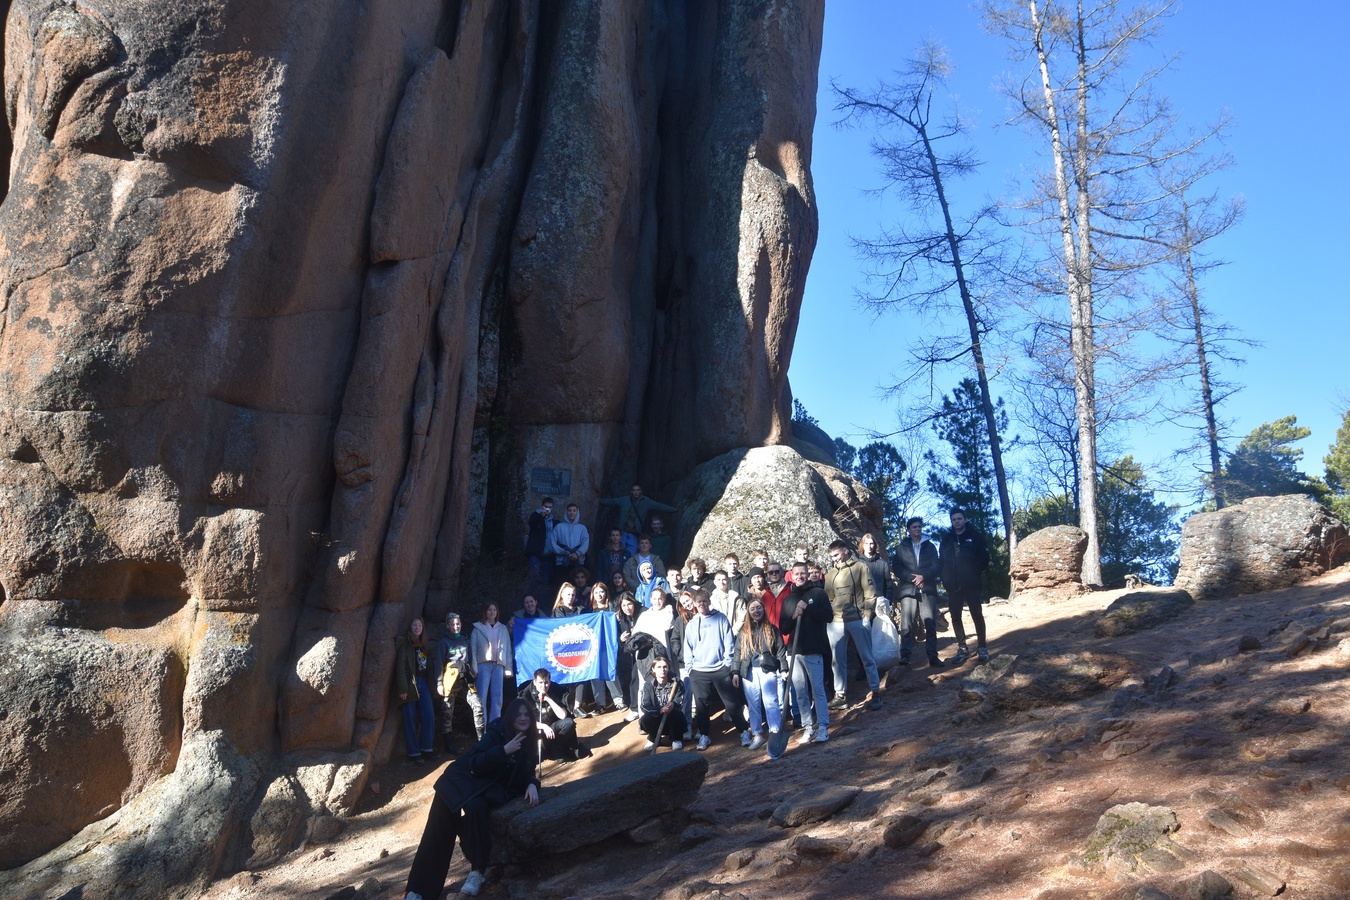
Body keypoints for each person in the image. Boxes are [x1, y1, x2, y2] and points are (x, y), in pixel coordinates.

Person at [402, 698, 540, 900]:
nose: (523, 718)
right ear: (510, 717)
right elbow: (476, 762)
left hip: (483, 790)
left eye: (526, 714)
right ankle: (417, 891)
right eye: (518, 714)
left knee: (477, 809)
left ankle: (477, 873)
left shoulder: (529, 741)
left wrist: (532, 784)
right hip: (460, 781)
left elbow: (527, 771)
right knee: (438, 830)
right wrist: (503, 751)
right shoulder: (497, 733)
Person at [682, 591, 751, 751]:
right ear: (694, 604)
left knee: (731, 703)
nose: (702, 605)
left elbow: (729, 643)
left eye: (705, 601)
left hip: (720, 668)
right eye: (699, 602)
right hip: (698, 671)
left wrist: (727, 664)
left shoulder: (720, 618)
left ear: (709, 602)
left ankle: (743, 731)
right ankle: (705, 735)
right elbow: (688, 647)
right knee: (702, 706)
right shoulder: (692, 624)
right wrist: (690, 668)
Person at [823, 540, 883, 711]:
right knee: (837, 660)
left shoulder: (860, 567)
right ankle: (840, 695)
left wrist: (867, 614)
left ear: (845, 551)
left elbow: (870, 592)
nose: (834, 559)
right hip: (837, 621)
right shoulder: (831, 574)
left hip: (857, 618)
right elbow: (829, 598)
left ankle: (876, 692)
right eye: (832, 556)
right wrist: (832, 616)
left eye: (836, 555)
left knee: (867, 657)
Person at [781, 561, 833, 744]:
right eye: (797, 574)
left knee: (818, 689)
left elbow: (829, 616)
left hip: (814, 649)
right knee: (801, 692)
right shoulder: (788, 599)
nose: (800, 576)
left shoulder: (818, 593)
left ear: (808, 574)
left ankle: (823, 727)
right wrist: (795, 615)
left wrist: (808, 608)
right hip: (794, 652)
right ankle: (808, 727)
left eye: (803, 573)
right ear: (792, 576)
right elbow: (784, 628)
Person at [940, 508, 991, 664]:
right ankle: (962, 648)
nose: (957, 522)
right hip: (953, 586)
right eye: (954, 519)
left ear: (965, 519)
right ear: (951, 521)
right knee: (955, 617)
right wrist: (945, 579)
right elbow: (941, 561)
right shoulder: (947, 539)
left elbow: (984, 558)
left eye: (959, 519)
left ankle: (982, 647)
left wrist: (973, 571)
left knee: (977, 614)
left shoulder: (976, 537)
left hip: (972, 584)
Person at [735, 597, 787, 749]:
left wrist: (783, 669)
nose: (756, 611)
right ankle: (757, 733)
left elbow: (780, 651)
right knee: (753, 704)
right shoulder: (744, 632)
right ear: (748, 612)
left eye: (758, 608)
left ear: (763, 610)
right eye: (752, 609)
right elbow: (738, 652)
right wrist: (735, 672)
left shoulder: (771, 629)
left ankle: (775, 730)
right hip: (749, 671)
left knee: (771, 700)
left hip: (767, 669)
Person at [893, 517, 944, 669]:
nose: (917, 529)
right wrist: (911, 578)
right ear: (908, 530)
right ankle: (905, 657)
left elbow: (937, 565)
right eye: (914, 527)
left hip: (927, 588)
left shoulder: (930, 546)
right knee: (906, 624)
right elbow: (896, 566)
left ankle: (933, 657)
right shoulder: (901, 547)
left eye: (919, 527)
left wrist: (924, 576)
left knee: (930, 622)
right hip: (908, 589)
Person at [433, 612, 482, 749]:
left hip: (465, 678)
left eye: (458, 624)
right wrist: (439, 683)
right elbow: (439, 663)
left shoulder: (465, 640)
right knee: (447, 710)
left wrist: (473, 673)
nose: (456, 626)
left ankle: (481, 740)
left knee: (478, 706)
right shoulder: (444, 642)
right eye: (453, 624)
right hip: (450, 679)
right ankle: (449, 743)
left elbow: (471, 659)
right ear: (448, 626)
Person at [631, 587, 684, 713]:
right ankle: (644, 715)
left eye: (660, 598)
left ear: (664, 599)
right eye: (654, 598)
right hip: (645, 655)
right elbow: (635, 634)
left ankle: (670, 712)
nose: (657, 601)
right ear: (650, 599)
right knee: (644, 683)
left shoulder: (668, 611)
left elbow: (666, 624)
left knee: (667, 680)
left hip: (662, 653)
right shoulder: (644, 615)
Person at [519, 669, 589, 761]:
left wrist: (548, 698)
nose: (543, 686)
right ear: (534, 682)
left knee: (569, 723)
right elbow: (524, 721)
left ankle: (557, 748)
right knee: (533, 758)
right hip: (537, 732)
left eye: (546, 683)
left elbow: (563, 715)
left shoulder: (555, 689)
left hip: (553, 729)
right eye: (540, 682)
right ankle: (546, 751)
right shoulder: (525, 694)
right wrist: (543, 726)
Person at [396, 617, 437, 761]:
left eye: (420, 625)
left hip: (424, 684)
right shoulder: (406, 645)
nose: (417, 627)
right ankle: (414, 753)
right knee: (410, 718)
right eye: (414, 625)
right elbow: (400, 667)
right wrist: (403, 688)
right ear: (410, 627)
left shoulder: (424, 645)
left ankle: (427, 748)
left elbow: (428, 666)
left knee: (429, 715)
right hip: (410, 684)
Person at [470, 603, 513, 732]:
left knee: (497, 697)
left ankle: (494, 727)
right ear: (485, 611)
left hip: (499, 665)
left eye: (494, 609)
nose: (492, 612)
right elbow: (472, 649)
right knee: (481, 697)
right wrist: (474, 667)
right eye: (489, 609)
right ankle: (481, 729)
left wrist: (508, 668)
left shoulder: (503, 629)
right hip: (483, 664)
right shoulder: (478, 628)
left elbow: (508, 650)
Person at [550, 582, 591, 718]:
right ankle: (566, 707)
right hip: (563, 650)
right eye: (568, 594)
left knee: (582, 675)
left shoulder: (581, 609)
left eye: (573, 594)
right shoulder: (557, 612)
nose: (570, 597)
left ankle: (578, 706)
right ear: (562, 595)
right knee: (565, 679)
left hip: (579, 649)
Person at [599, 483, 675, 554]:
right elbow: (611, 501)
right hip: (623, 532)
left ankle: (629, 568)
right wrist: (598, 500)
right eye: (634, 490)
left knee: (632, 552)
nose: (636, 492)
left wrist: (673, 509)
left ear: (641, 491)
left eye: (638, 490)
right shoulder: (625, 500)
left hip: (635, 533)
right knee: (619, 551)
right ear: (631, 492)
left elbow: (659, 506)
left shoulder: (646, 501)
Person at [587, 582, 625, 712]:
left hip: (609, 644)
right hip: (593, 647)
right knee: (595, 674)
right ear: (593, 594)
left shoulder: (612, 608)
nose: (599, 595)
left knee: (610, 671)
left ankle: (618, 700)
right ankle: (600, 704)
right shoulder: (589, 611)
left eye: (601, 592)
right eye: (596, 592)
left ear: (606, 593)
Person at [639, 656, 687, 750]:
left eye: (665, 667)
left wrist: (673, 705)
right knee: (645, 718)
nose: (662, 670)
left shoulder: (677, 682)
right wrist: (660, 710)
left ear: (668, 668)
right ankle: (653, 738)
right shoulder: (648, 684)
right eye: (659, 667)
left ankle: (676, 739)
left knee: (677, 715)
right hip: (657, 717)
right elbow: (644, 706)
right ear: (653, 669)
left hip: (672, 718)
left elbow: (680, 701)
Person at [550, 503, 589, 584]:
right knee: (562, 586)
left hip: (578, 562)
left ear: (577, 512)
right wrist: (563, 551)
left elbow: (585, 543)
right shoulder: (559, 527)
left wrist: (577, 553)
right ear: (566, 512)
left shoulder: (582, 528)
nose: (572, 513)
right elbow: (552, 543)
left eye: (574, 511)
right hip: (562, 562)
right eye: (570, 510)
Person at [616, 592, 641, 715]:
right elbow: (617, 641)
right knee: (630, 679)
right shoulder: (621, 619)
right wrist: (621, 640)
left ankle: (637, 708)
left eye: (629, 604)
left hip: (644, 652)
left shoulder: (643, 614)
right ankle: (635, 707)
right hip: (629, 655)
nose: (627, 608)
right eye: (624, 605)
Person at [525, 498, 556, 592]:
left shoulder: (553, 520)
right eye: (546, 506)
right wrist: (541, 515)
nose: (547, 509)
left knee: (545, 581)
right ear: (542, 506)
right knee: (534, 578)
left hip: (548, 555)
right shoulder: (536, 515)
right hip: (536, 553)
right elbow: (532, 522)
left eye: (550, 507)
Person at [709, 569, 747, 635]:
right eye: (719, 580)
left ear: (728, 581)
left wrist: (733, 632)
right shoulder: (710, 600)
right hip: (716, 634)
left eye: (724, 579)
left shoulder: (737, 598)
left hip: (735, 634)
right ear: (714, 582)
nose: (721, 582)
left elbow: (742, 616)